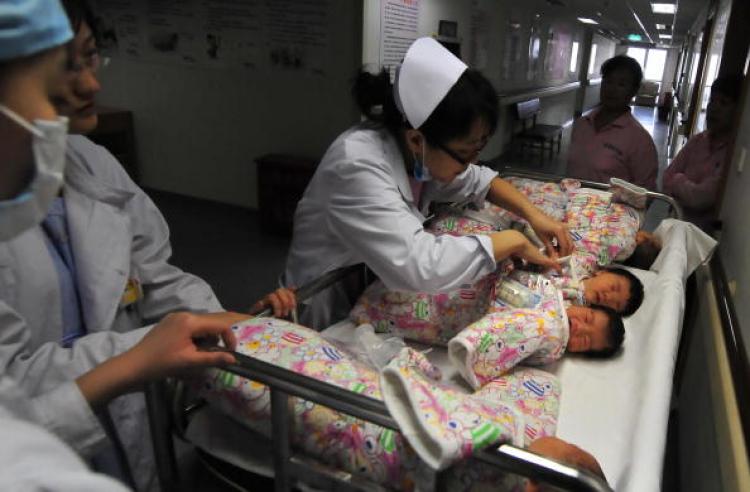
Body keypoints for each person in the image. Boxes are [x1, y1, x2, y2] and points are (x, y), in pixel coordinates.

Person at [0, 0, 246, 489]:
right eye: (57, 70)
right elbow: (13, 388)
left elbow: (152, 274)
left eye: (89, 57)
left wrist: (230, 325)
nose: (90, 85)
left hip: (126, 425)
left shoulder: (92, 163)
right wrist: (138, 354)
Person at [286, 37, 572, 329]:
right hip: (323, 296)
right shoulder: (356, 164)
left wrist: (534, 215)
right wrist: (512, 241)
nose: (470, 164)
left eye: (477, 151)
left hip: (368, 281)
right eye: (463, 153)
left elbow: (480, 180)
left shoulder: (419, 158)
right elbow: (418, 264)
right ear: (416, 139)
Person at [662, 74, 745, 230]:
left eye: (724, 103)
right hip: (674, 225)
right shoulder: (698, 141)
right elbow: (666, 178)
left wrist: (679, 179)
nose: (714, 108)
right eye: (712, 100)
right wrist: (686, 187)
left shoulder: (734, 155)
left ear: (738, 110)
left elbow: (701, 198)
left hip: (701, 237)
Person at [567, 55, 658, 190]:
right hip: (572, 206)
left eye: (621, 84)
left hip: (609, 209)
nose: (612, 89)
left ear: (634, 91)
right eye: (608, 81)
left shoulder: (640, 140)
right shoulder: (582, 125)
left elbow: (646, 193)